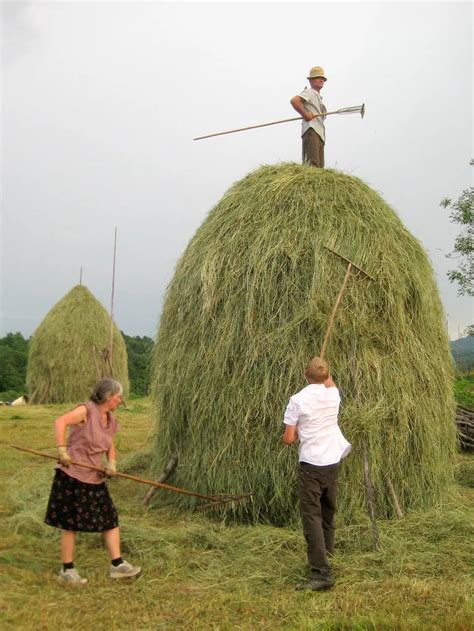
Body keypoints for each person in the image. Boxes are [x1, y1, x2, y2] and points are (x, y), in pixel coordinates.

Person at [44, 378, 141, 585]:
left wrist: (112, 463)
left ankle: (118, 565)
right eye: (118, 396)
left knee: (110, 518)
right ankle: (67, 571)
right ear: (109, 397)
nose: (120, 400)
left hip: (94, 477)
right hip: (72, 475)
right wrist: (62, 450)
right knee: (70, 524)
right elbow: (59, 422)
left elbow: (110, 443)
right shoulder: (86, 411)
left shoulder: (110, 419)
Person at [282, 356, 351, 591]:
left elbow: (288, 439)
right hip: (332, 462)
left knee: (312, 517)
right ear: (326, 375)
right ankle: (327, 555)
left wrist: (300, 427)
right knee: (327, 513)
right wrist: (323, 369)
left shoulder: (297, 400)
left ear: (305, 375)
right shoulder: (334, 395)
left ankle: (321, 573)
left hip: (311, 465)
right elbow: (329, 381)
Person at [290, 66, 328, 168]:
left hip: (320, 133)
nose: (321, 80)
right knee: (312, 165)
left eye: (322, 78)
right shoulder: (309, 92)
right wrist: (305, 114)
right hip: (312, 130)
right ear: (311, 81)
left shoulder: (319, 98)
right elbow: (294, 101)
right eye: (317, 78)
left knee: (320, 169)